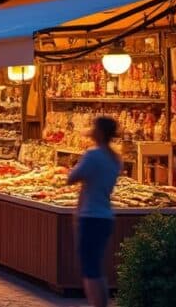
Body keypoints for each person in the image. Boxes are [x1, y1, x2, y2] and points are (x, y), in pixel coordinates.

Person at [68, 116, 121, 307]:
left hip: (89, 216)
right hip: (105, 216)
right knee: (97, 267)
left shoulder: (93, 155)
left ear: (98, 132)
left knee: (90, 269)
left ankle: (96, 304)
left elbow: (71, 178)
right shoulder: (115, 159)